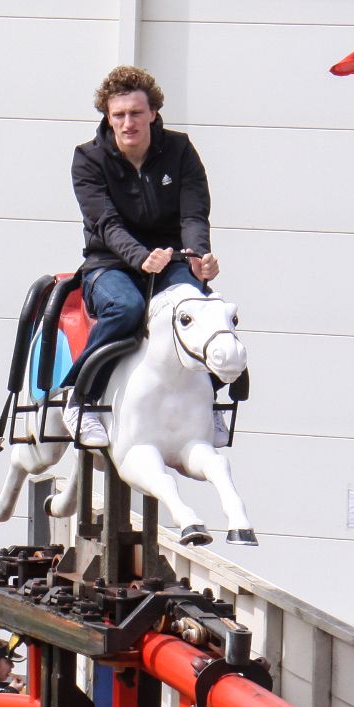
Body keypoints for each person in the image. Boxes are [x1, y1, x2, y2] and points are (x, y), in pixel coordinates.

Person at [59, 65, 224, 448]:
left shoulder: (180, 150)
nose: (128, 122)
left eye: (136, 113)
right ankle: (78, 397)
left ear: (153, 113)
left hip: (171, 260)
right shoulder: (88, 158)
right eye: (119, 115)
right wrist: (140, 257)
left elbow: (194, 213)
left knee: (196, 306)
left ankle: (211, 402)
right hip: (110, 263)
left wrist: (198, 255)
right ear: (108, 117)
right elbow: (105, 223)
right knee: (127, 308)